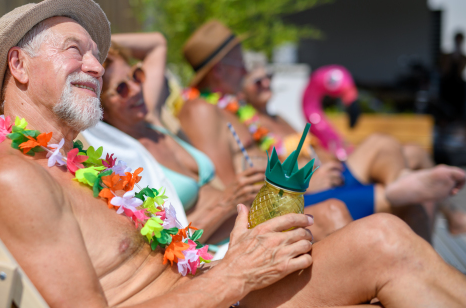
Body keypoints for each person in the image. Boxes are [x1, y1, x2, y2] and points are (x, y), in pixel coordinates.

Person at [0, 0, 466, 307]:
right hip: (220, 291)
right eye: (75, 50)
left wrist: (236, 251)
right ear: (20, 65)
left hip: (211, 287)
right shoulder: (15, 179)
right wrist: (237, 271)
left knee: (383, 237)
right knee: (381, 243)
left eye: (97, 56)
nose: (96, 68)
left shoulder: (81, 168)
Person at [178, 20, 466, 241]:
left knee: (387, 152)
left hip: (312, 185)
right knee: (408, 195)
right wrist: (305, 183)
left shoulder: (232, 110)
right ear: (219, 71)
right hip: (294, 199)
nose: (245, 69)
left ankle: (404, 195)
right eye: (239, 59)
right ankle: (400, 192)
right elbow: (234, 193)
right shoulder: (201, 111)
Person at [96, 33, 351, 243]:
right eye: (121, 88)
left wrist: (95, 46)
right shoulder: (121, 157)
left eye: (137, 75)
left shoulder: (150, 120)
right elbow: (167, 243)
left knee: (335, 213)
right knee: (334, 214)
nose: (137, 89)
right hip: (221, 249)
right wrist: (227, 203)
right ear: (101, 106)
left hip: (250, 222)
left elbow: (157, 43)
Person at [242, 65, 466, 235]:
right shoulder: (246, 126)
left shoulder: (278, 118)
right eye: (257, 81)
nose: (266, 83)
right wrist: (307, 184)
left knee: (412, 152)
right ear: (240, 91)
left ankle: (409, 186)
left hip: (333, 173)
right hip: (311, 192)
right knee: (384, 150)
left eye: (268, 77)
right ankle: (413, 194)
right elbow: (257, 182)